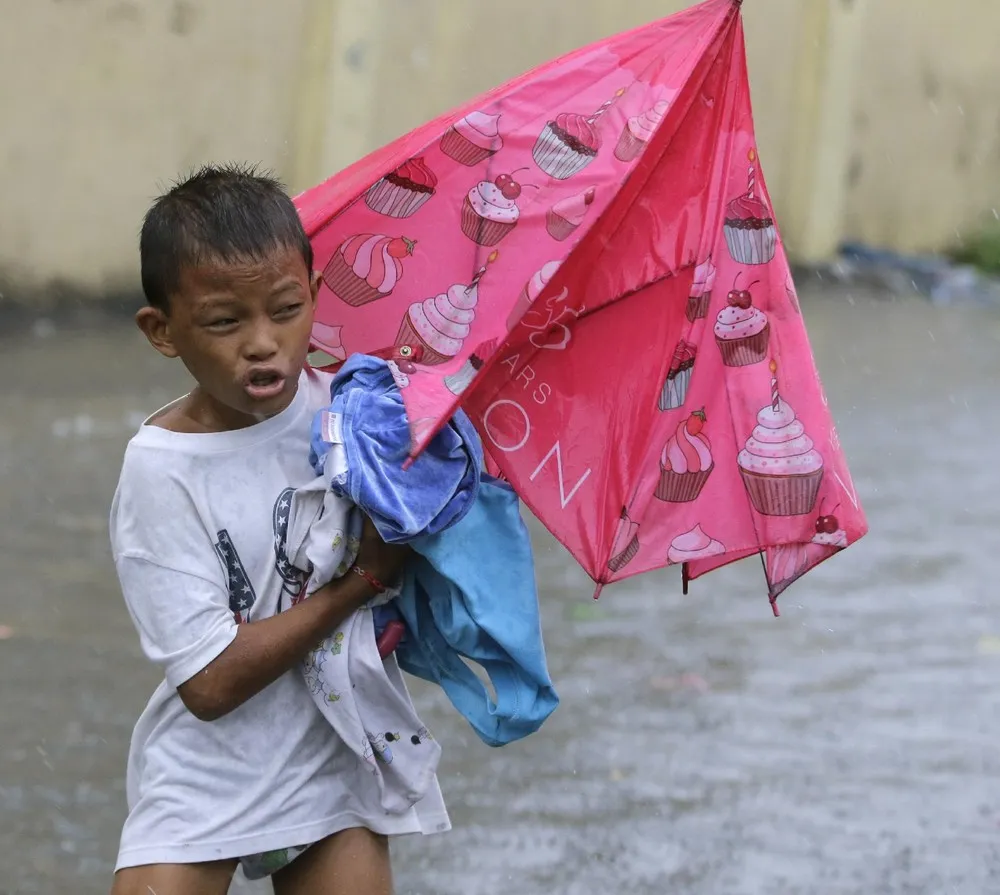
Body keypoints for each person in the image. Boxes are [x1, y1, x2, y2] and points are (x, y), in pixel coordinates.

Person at [108, 163, 450, 895]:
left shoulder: (356, 419)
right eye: (226, 321)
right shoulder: (162, 469)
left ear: (316, 297)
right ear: (161, 330)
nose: (264, 343)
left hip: (333, 759)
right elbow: (208, 681)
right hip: (207, 772)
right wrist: (361, 581)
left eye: (286, 309)